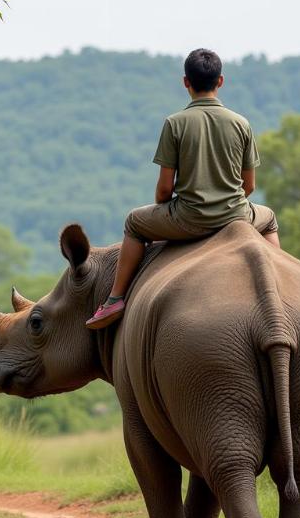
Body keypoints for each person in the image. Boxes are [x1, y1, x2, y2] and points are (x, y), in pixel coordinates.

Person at [86, 48, 280, 330]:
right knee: (270, 218)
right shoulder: (241, 123)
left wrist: (163, 211)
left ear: (186, 82)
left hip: (188, 219)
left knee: (134, 222)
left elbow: (164, 190)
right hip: (236, 215)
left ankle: (115, 298)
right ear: (221, 81)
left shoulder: (174, 123)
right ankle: (277, 279)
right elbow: (248, 185)